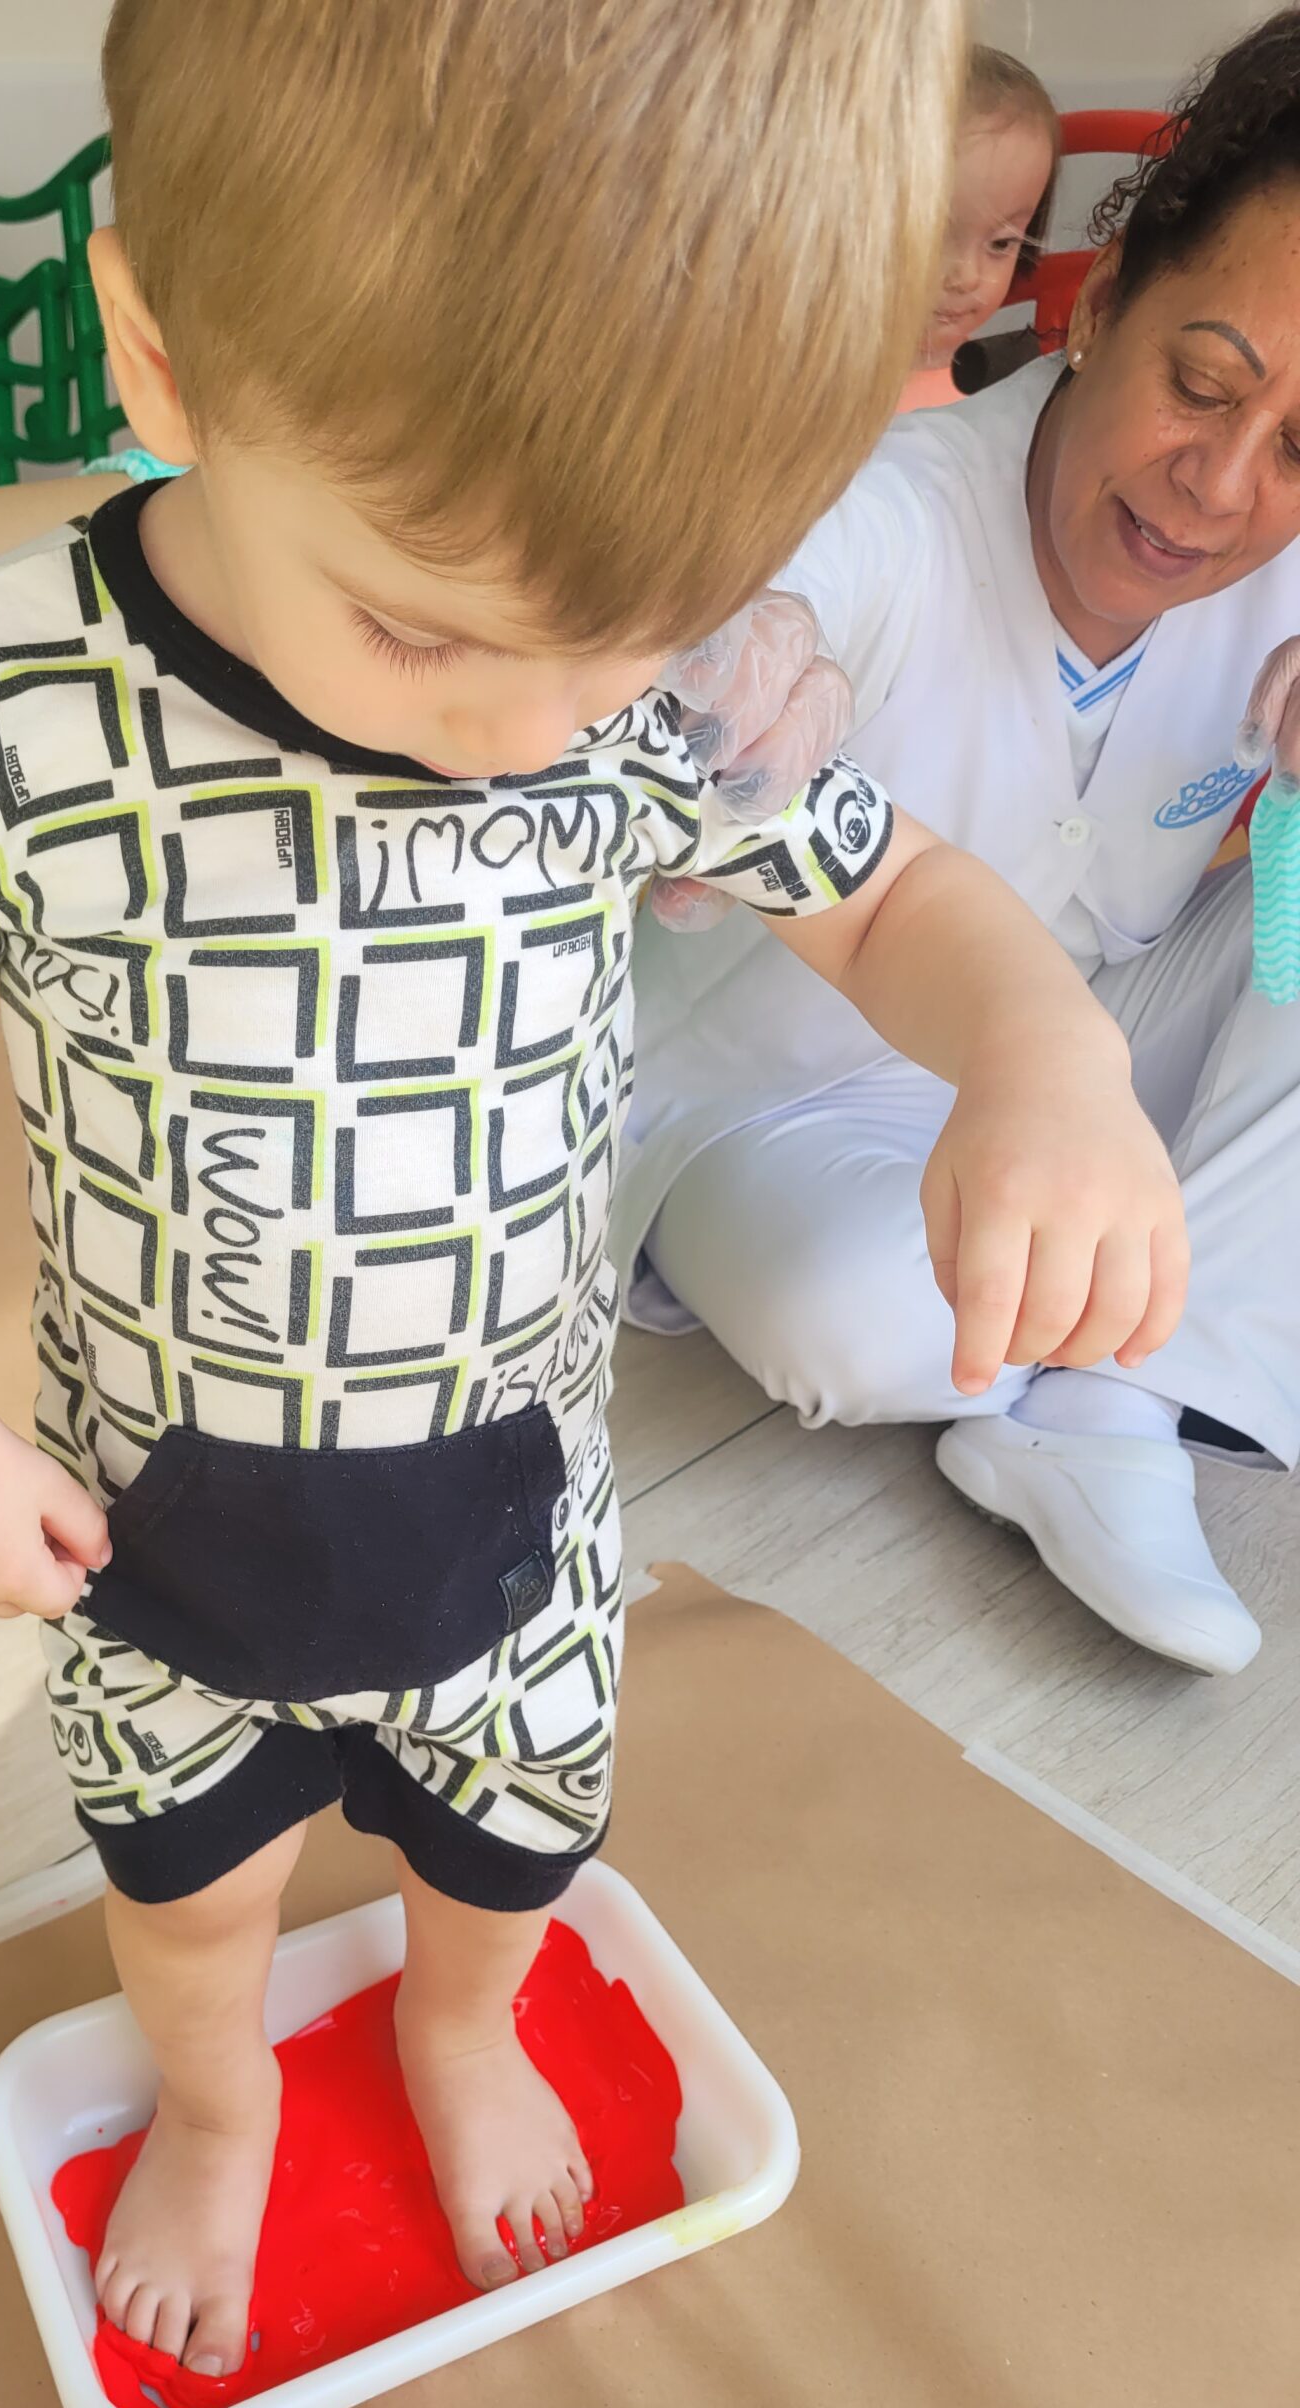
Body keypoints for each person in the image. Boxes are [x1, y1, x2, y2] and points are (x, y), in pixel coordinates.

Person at [0, 0, 1184, 2384]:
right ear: (160, 350)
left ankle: (456, 2024)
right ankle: (216, 2107)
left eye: (616, 642)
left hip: (518, 1510)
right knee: (192, 1895)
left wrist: (1049, 1049)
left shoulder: (650, 679)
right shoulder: (5, 692)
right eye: (428, 628)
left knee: (512, 1848)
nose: (536, 736)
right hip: (164, 1524)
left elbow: (884, 896)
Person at [622, 11, 1300, 1679]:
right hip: (775, 1107)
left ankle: (1116, 1386)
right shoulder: (890, 514)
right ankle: (1174, 1309)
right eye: (1201, 386)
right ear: (1103, 295)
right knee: (860, 1319)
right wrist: (739, 651)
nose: (1219, 486)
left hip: (1095, 1062)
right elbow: (747, 615)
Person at [899, 45, 1060, 416]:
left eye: (1001, 244)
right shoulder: (805, 391)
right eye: (933, 240)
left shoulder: (999, 393)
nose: (967, 277)